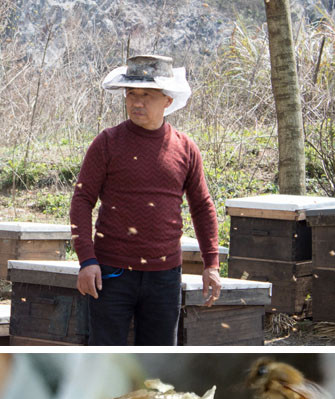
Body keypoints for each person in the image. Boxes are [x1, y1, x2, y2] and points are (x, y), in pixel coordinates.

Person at [70, 54, 222, 346]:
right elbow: (82, 200)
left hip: (164, 276)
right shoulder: (107, 142)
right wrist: (87, 260)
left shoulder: (185, 148)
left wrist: (211, 264)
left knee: (159, 358)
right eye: (131, 94)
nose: (136, 102)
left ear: (167, 99)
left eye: (147, 95)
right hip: (111, 272)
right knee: (104, 359)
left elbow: (202, 207)